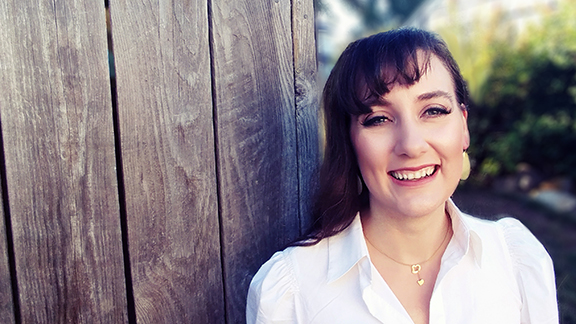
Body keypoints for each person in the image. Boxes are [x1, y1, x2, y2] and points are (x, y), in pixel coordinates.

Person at [246, 27, 558, 324]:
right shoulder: (291, 292)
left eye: (433, 111)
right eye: (378, 118)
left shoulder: (516, 261)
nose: (411, 144)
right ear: (349, 140)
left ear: (463, 127)